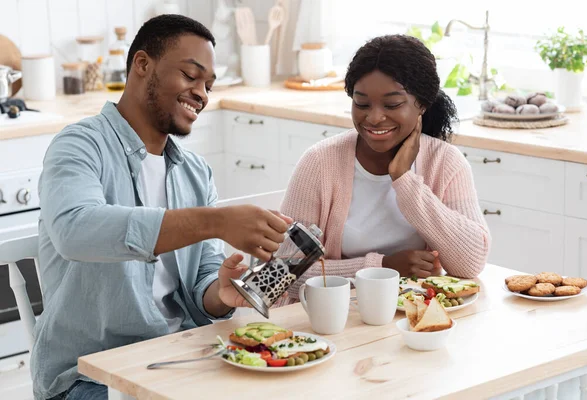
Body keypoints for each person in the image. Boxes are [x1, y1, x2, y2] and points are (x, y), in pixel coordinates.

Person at [32, 15, 291, 400]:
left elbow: (203, 280)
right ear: (142, 65)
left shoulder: (195, 172)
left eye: (208, 85)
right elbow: (74, 230)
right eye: (190, 75)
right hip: (90, 375)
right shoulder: (80, 145)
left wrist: (221, 294)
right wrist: (215, 221)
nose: (201, 93)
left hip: (178, 359)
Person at [279, 34, 491, 303]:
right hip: (334, 322)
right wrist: (382, 267)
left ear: (422, 105)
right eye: (362, 103)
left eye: (392, 105)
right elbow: (283, 275)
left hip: (416, 322)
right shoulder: (319, 163)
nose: (374, 117)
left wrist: (404, 180)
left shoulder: (445, 162)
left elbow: (470, 264)